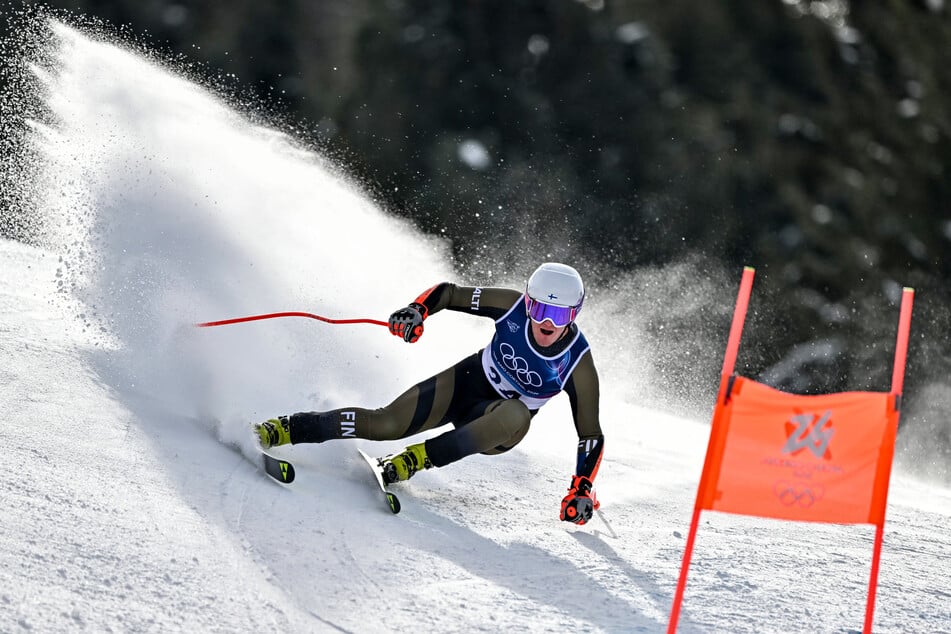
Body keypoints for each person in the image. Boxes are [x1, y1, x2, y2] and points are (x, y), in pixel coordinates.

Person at [254, 262, 604, 525]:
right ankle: (285, 428)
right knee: (385, 424)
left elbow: (590, 434)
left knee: (516, 414)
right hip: (467, 381)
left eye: (559, 315)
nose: (547, 324)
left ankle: (412, 461)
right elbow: (450, 293)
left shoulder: (577, 362)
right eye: (540, 309)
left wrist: (581, 487)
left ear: (573, 316)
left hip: (497, 425)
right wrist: (416, 310)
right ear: (527, 303)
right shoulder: (511, 305)